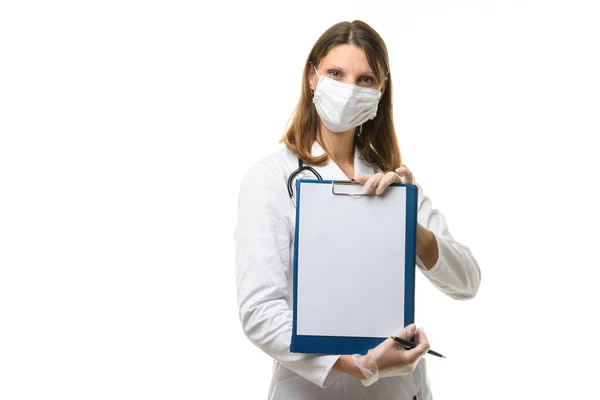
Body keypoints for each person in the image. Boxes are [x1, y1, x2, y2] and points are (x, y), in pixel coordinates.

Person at [234, 20, 481, 400]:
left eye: (365, 79)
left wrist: (406, 223)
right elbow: (260, 311)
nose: (349, 89)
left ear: (381, 91)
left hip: (400, 389)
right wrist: (359, 366)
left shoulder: (394, 181)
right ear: (312, 77)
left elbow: (467, 282)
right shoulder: (270, 177)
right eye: (336, 73)